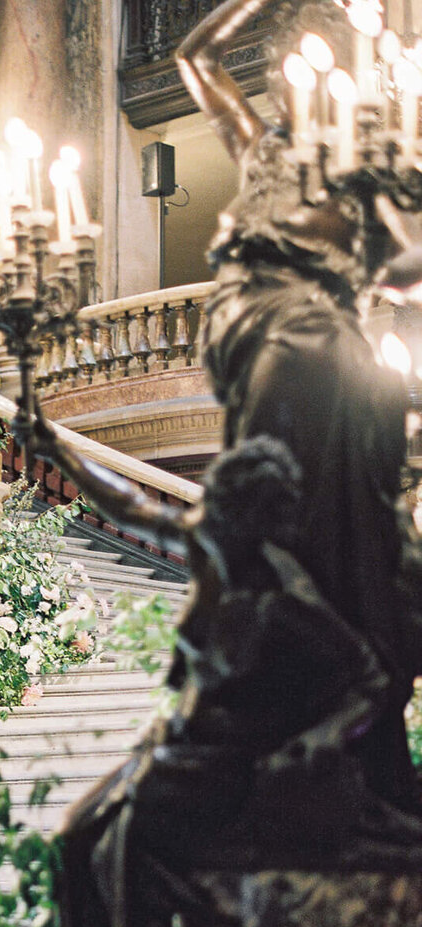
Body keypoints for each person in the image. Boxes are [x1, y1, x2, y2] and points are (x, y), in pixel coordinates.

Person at [28, 416, 422, 927]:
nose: (207, 522)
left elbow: (368, 678)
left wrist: (320, 738)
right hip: (174, 745)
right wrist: (59, 451)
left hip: (225, 763)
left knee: (118, 835)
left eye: (228, 513)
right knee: (71, 835)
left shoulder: (286, 603)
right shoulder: (215, 548)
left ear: (255, 520)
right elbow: (130, 506)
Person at [177, 0, 422, 810]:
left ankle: (332, 650)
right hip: (256, 319)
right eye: (288, 81)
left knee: (335, 486)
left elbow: (407, 267)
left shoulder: (362, 182)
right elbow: (196, 60)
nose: (294, 94)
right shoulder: (261, 149)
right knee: (274, 463)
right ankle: (270, 629)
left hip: (322, 334)